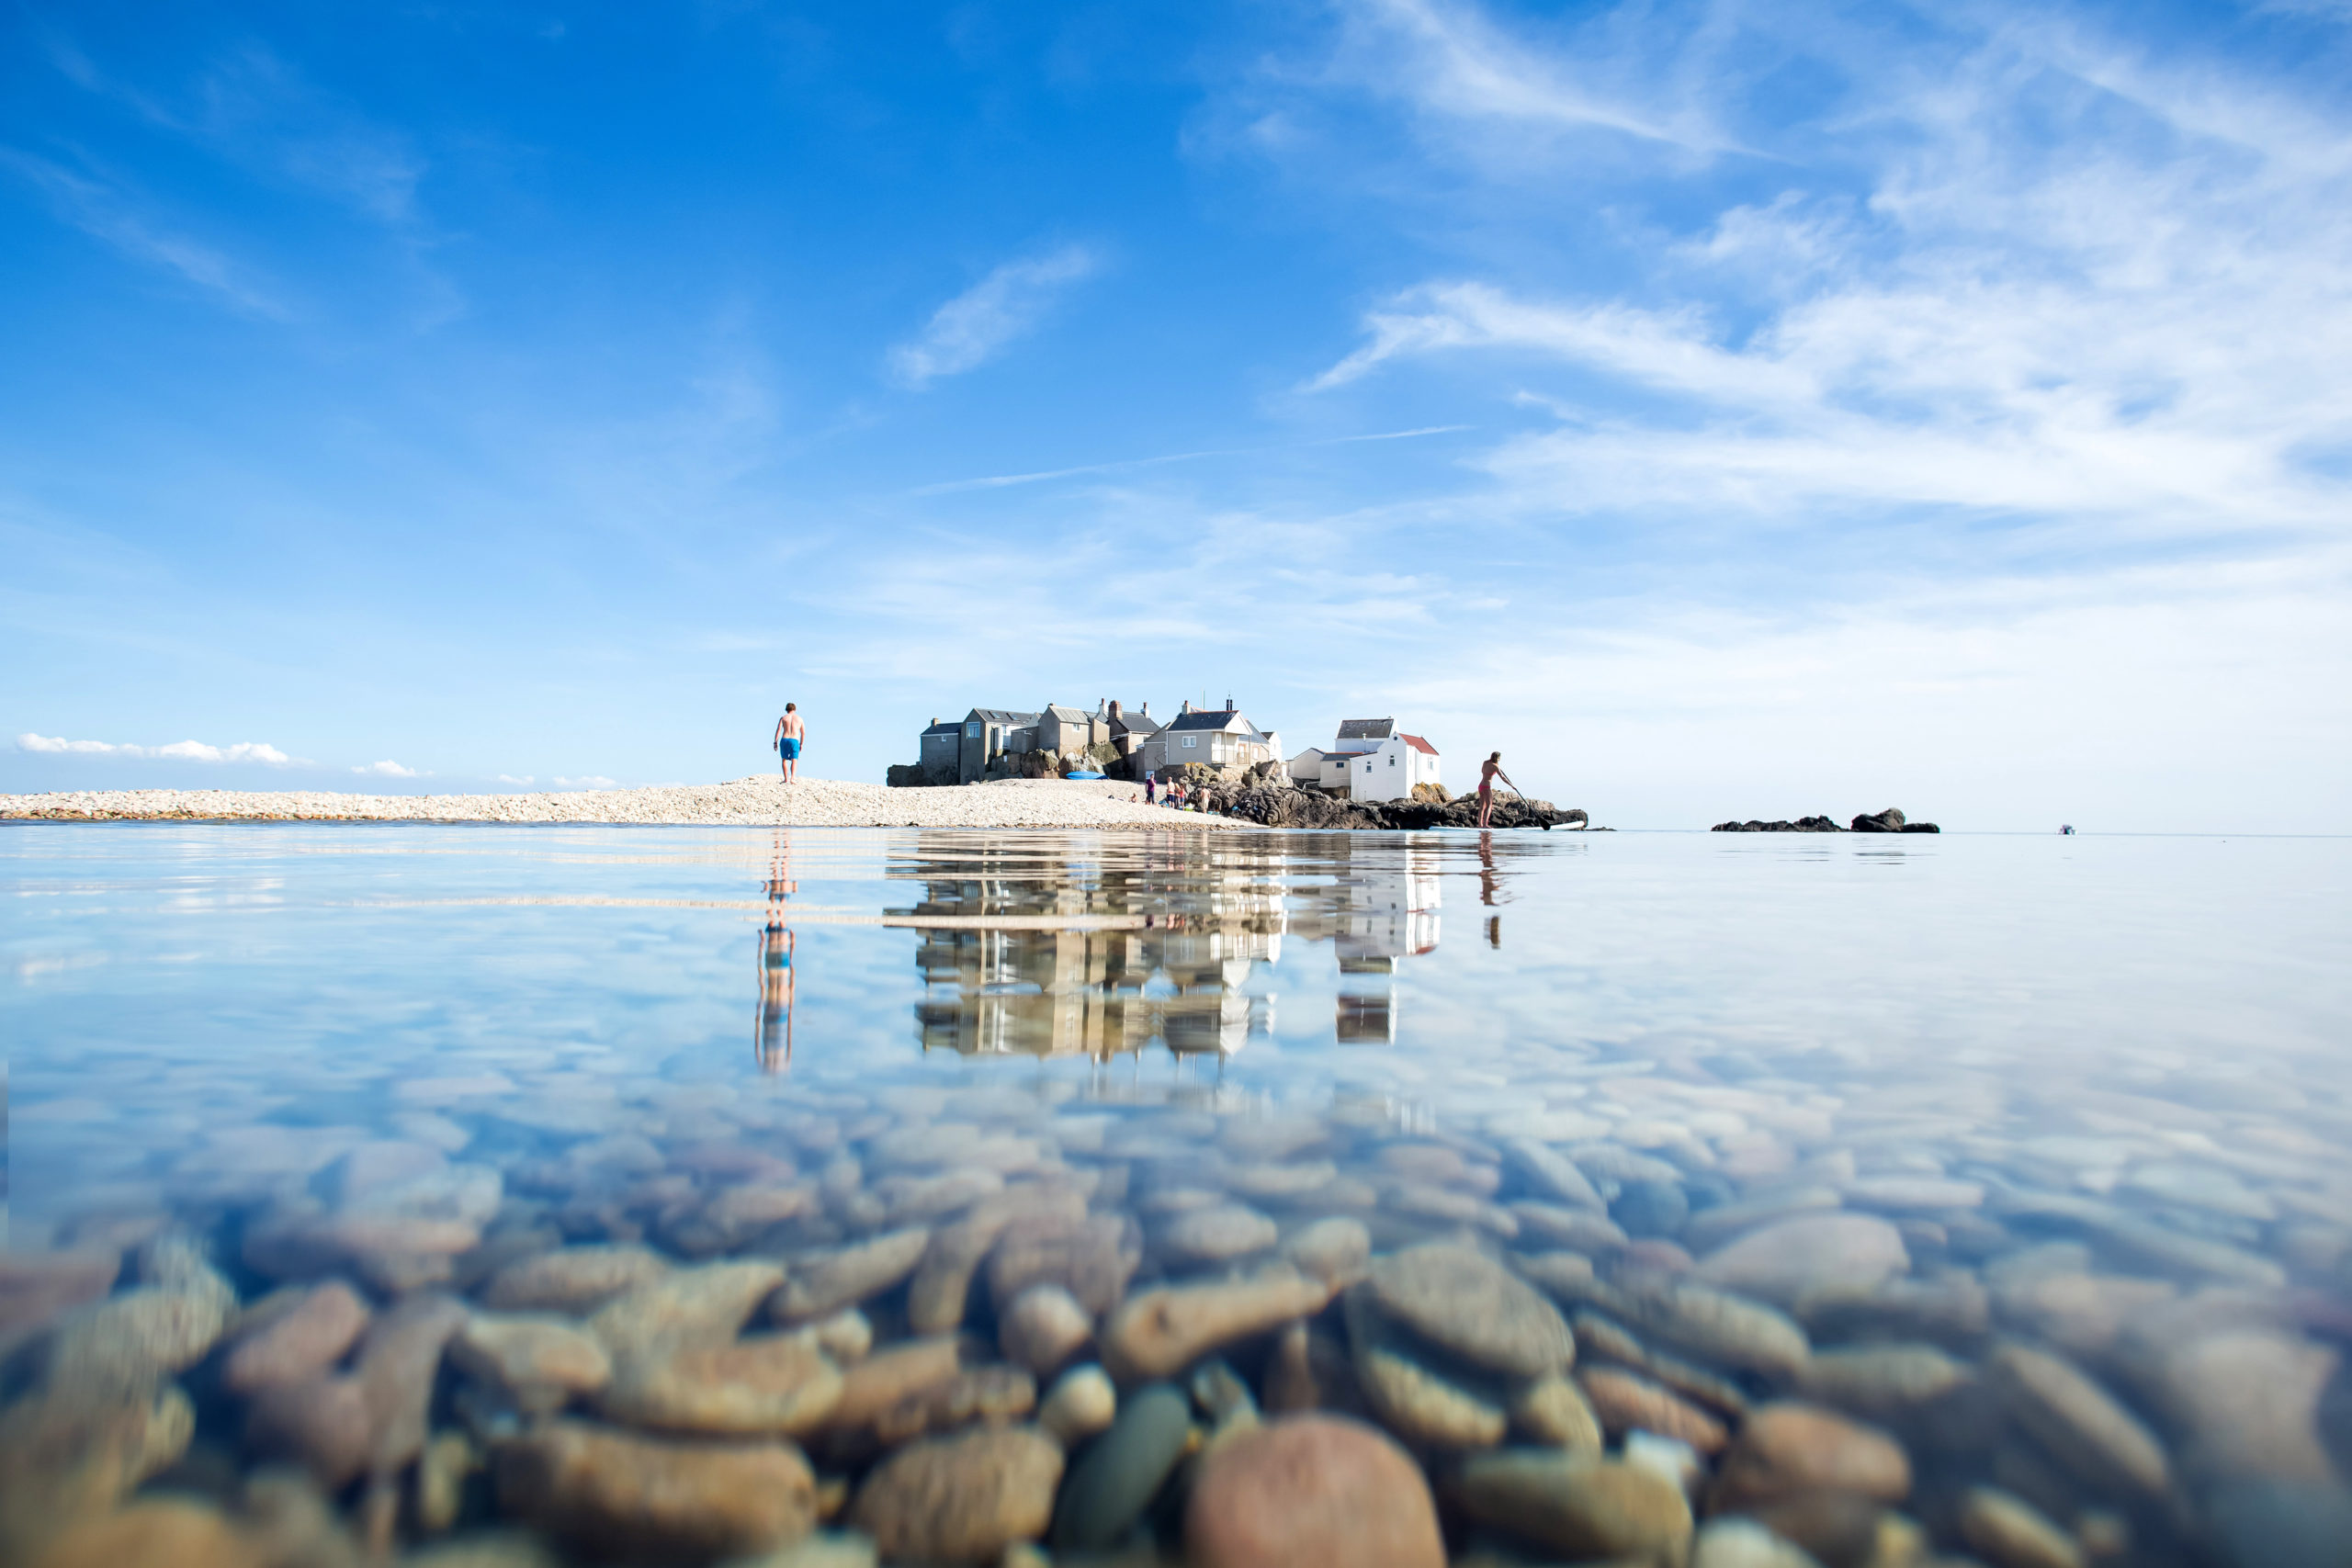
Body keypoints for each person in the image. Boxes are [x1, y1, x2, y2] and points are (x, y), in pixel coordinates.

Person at [1476, 750, 1520, 829]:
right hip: (1486, 786)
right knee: (1489, 805)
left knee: (1482, 806)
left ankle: (1480, 824)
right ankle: (1485, 824)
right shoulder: (1495, 766)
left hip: (1480, 786)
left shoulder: (1485, 763)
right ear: (1498, 758)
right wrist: (1512, 785)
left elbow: (1482, 771)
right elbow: (1503, 777)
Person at [773, 703, 805, 782]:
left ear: (786, 709)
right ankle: (792, 778)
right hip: (794, 740)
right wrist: (801, 744)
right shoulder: (799, 719)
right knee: (794, 759)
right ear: (795, 709)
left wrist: (775, 742)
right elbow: (803, 732)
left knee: (784, 759)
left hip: (785, 739)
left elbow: (779, 730)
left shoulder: (783, 718)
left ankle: (786, 778)